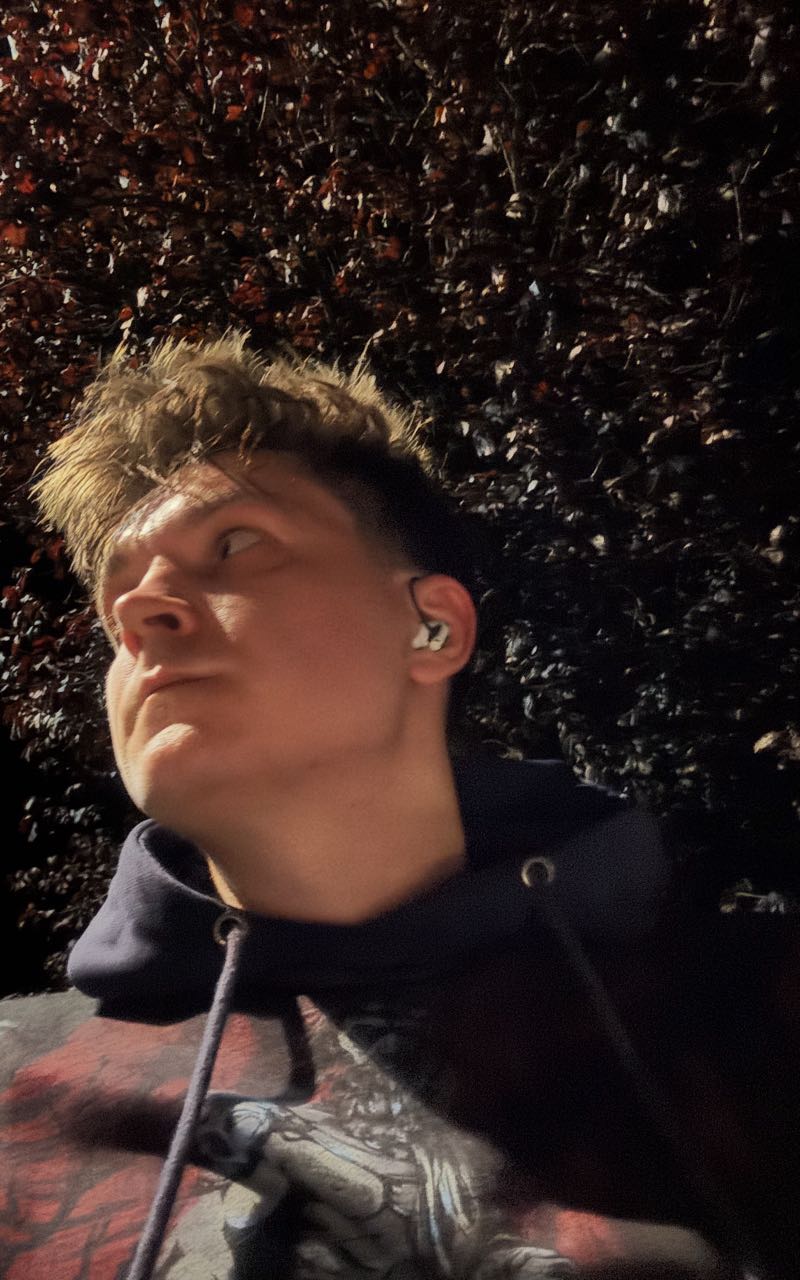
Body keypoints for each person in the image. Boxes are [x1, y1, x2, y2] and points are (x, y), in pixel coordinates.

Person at [3, 331, 799, 1279]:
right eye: (117, 601)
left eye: (236, 543)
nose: (141, 611)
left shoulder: (754, 1013)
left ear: (434, 627)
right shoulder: (19, 1091)